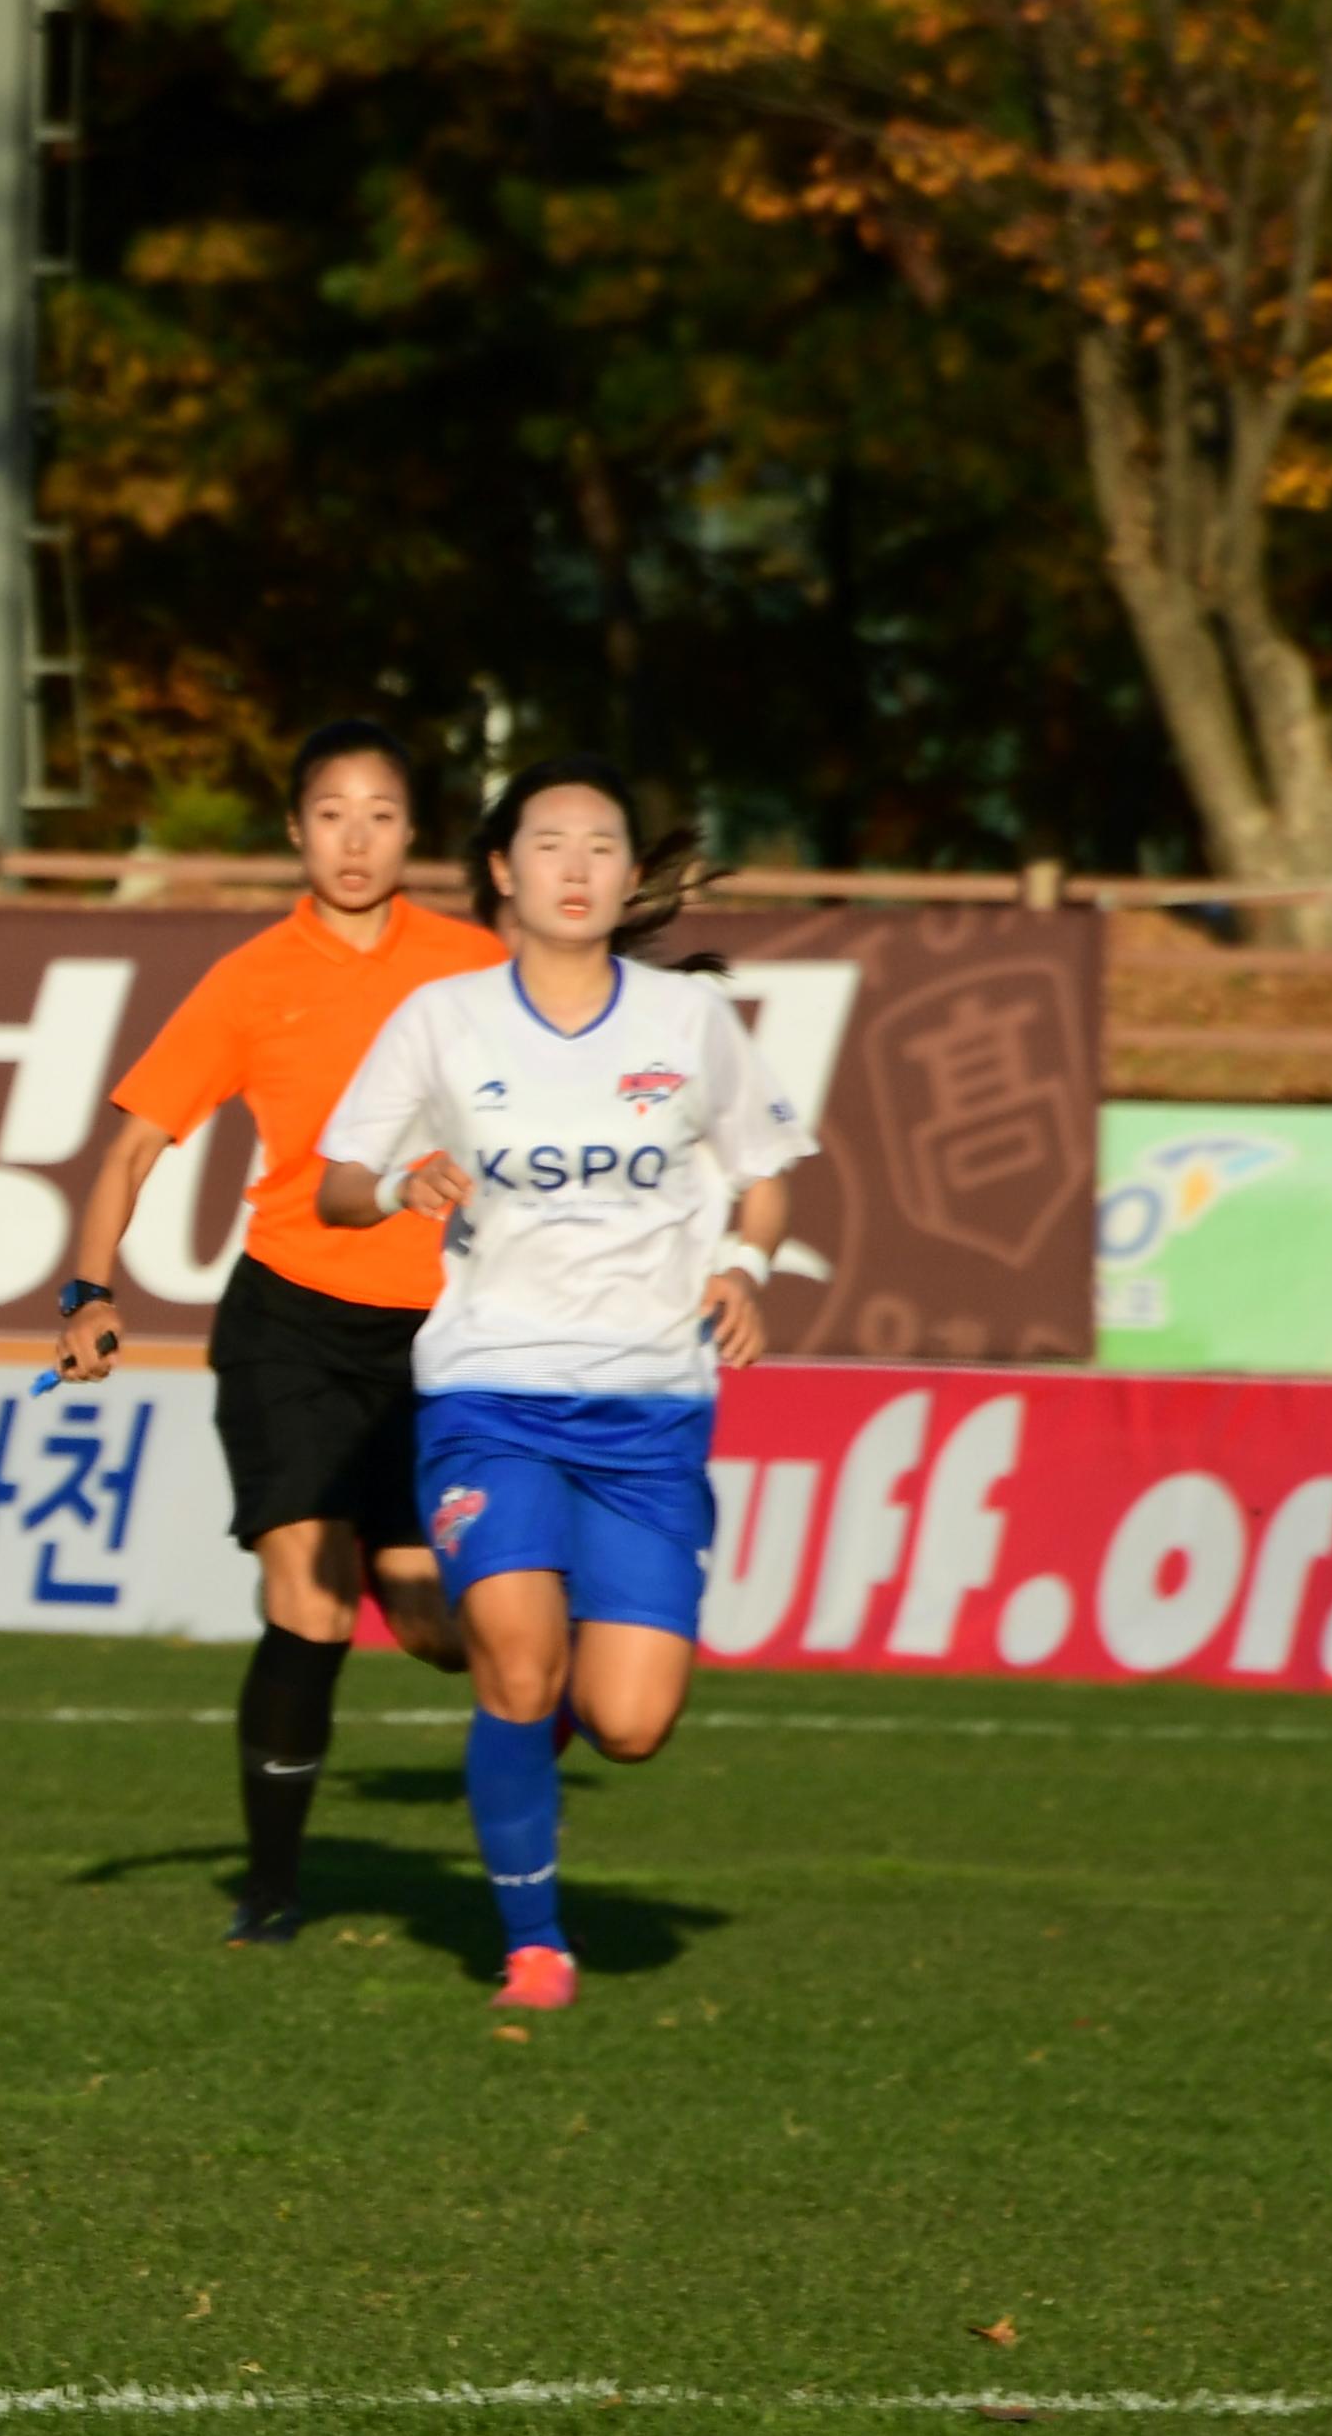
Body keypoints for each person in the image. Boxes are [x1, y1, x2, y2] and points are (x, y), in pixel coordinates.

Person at [313, 763, 811, 2012]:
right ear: (503, 871)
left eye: (603, 846)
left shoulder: (691, 1024)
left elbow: (764, 1177)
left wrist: (745, 1266)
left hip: (651, 1407)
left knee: (630, 1722)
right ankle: (535, 1942)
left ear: (632, 876)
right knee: (519, 1672)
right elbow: (333, 1186)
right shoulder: (442, 1018)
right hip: (491, 1392)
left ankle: (523, 1743)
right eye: (551, 844)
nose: (578, 867)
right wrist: (399, 1185)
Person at [54, 722, 508, 1943]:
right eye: (329, 813)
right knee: (309, 1598)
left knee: (431, 1626)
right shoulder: (253, 976)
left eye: (380, 814)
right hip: (292, 1324)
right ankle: (272, 1887)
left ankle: (544, 1680)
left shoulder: (477, 966)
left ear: (414, 833)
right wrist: (87, 1291)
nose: (354, 838)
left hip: (445, 1337)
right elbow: (138, 1143)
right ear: (295, 829)